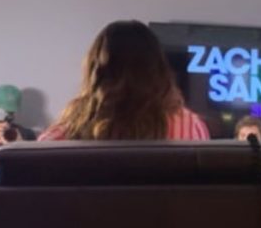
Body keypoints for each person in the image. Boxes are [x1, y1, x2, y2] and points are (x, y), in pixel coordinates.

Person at [40, 21, 210, 141]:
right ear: (159, 70)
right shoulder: (191, 127)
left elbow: (35, 162)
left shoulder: (67, 133)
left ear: (95, 72)